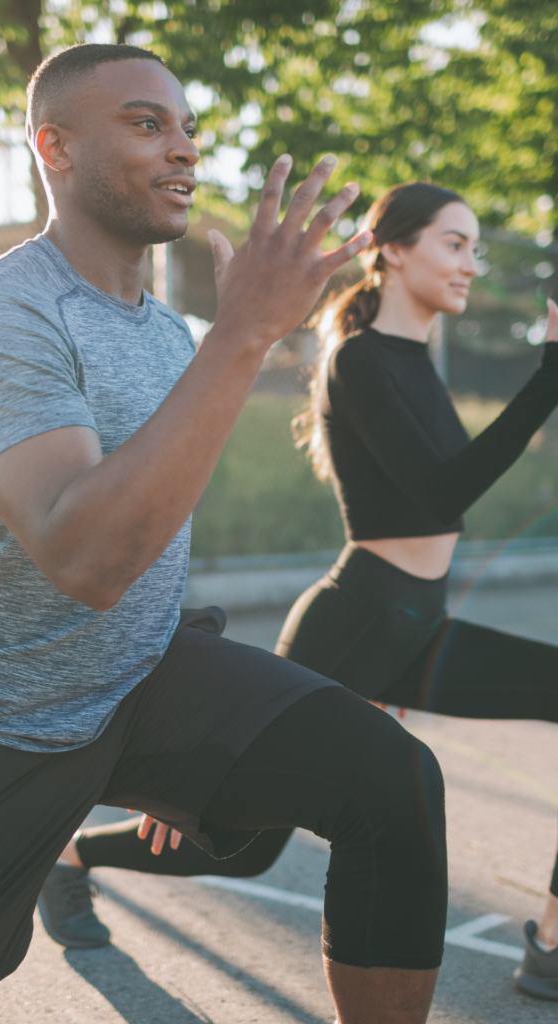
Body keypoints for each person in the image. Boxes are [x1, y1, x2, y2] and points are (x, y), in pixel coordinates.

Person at [0, 42, 447, 1024]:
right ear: (54, 148)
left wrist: (185, 705)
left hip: (139, 683)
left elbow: (154, 527)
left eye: (188, 128)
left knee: (392, 780)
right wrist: (246, 333)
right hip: (6, 721)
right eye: (147, 125)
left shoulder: (162, 331)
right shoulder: (6, 313)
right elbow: (86, 559)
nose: (183, 149)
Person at [38, 181, 558, 1005]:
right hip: (356, 622)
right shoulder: (358, 360)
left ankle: (553, 943)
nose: (471, 261)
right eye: (454, 243)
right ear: (394, 248)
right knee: (244, 845)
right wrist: (548, 377)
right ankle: (71, 855)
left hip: (418, 626)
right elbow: (439, 497)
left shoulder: (417, 361)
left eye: (475, 246)